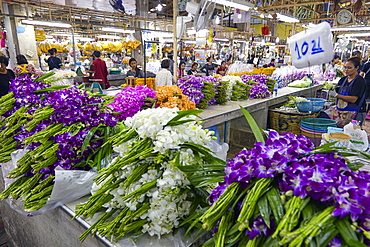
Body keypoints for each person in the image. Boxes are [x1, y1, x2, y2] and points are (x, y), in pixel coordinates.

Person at [320, 57, 367, 127]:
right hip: (340, 110)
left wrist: (336, 95)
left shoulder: (359, 81)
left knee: (350, 130)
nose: (346, 70)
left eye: (349, 68)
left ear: (357, 68)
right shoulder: (343, 79)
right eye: (345, 67)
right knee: (323, 115)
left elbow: (353, 99)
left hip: (355, 112)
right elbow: (337, 91)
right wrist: (330, 89)